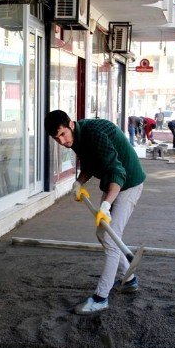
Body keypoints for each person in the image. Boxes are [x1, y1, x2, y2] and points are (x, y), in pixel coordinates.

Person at [44, 110, 146, 315]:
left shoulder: (94, 134)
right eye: (56, 139)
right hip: (114, 181)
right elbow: (90, 164)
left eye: (63, 134)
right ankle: (129, 278)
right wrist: (79, 183)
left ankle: (101, 298)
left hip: (129, 182)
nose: (62, 142)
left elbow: (118, 173)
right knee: (103, 234)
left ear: (71, 124)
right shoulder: (78, 138)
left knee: (110, 238)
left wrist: (106, 205)